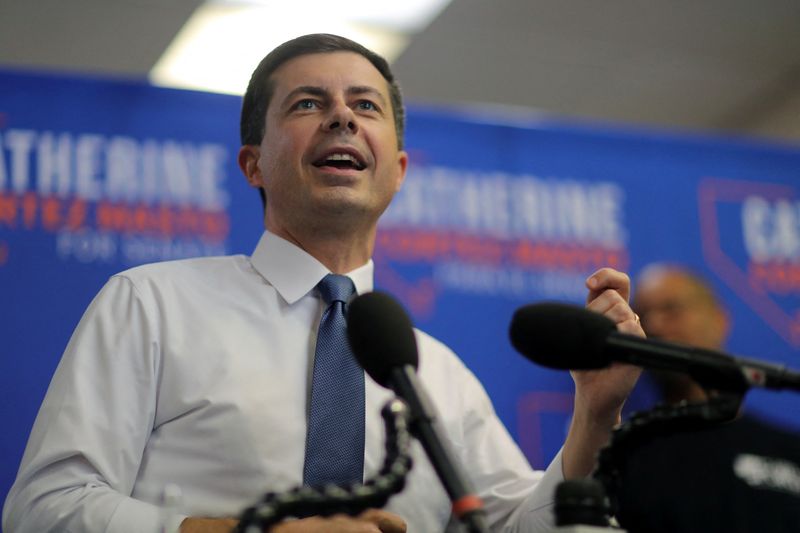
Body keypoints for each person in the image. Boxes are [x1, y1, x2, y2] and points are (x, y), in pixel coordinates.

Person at [2, 34, 642, 533]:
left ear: (397, 170)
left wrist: (594, 413)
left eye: (366, 106)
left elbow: (512, 528)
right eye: (309, 103)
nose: (342, 118)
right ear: (253, 163)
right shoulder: (152, 305)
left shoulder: (437, 376)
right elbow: (42, 510)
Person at [631, 263, 730, 404]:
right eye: (641, 315)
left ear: (719, 320)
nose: (653, 327)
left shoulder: (757, 426)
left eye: (671, 309)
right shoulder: (616, 423)